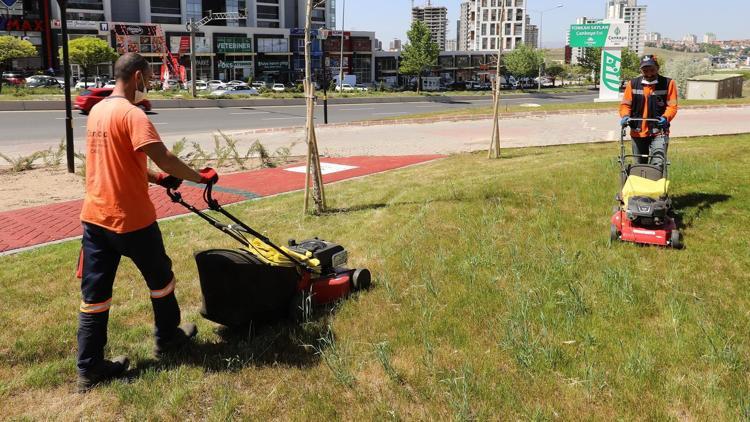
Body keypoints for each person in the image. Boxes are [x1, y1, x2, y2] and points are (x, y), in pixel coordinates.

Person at [75, 52, 219, 393]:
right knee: (161, 280)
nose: (151, 83)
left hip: (94, 219)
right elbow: (165, 156)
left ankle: (89, 368)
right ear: (138, 76)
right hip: (131, 220)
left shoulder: (97, 111)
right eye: (150, 77)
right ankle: (168, 338)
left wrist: (154, 179)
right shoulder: (133, 115)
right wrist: (199, 177)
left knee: (94, 295)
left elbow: (119, 161)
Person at [619, 55, 679, 169]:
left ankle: (656, 184)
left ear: (657, 68)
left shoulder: (668, 83)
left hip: (659, 131)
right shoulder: (632, 84)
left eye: (652, 69)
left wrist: (666, 117)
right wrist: (625, 115)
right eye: (645, 70)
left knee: (658, 163)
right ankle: (641, 185)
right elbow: (625, 105)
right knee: (639, 164)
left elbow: (672, 106)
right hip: (638, 131)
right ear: (641, 70)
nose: (649, 73)